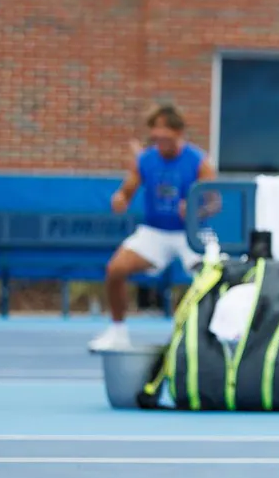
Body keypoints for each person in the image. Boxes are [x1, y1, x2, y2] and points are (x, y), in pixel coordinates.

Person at [89, 103, 215, 350]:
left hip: (191, 231)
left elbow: (214, 202)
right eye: (154, 132)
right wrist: (120, 199)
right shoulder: (146, 160)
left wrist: (194, 210)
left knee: (212, 280)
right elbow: (126, 190)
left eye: (164, 131)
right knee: (115, 269)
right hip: (154, 232)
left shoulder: (200, 162)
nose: (158, 137)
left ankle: (205, 338)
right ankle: (117, 333)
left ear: (178, 132)